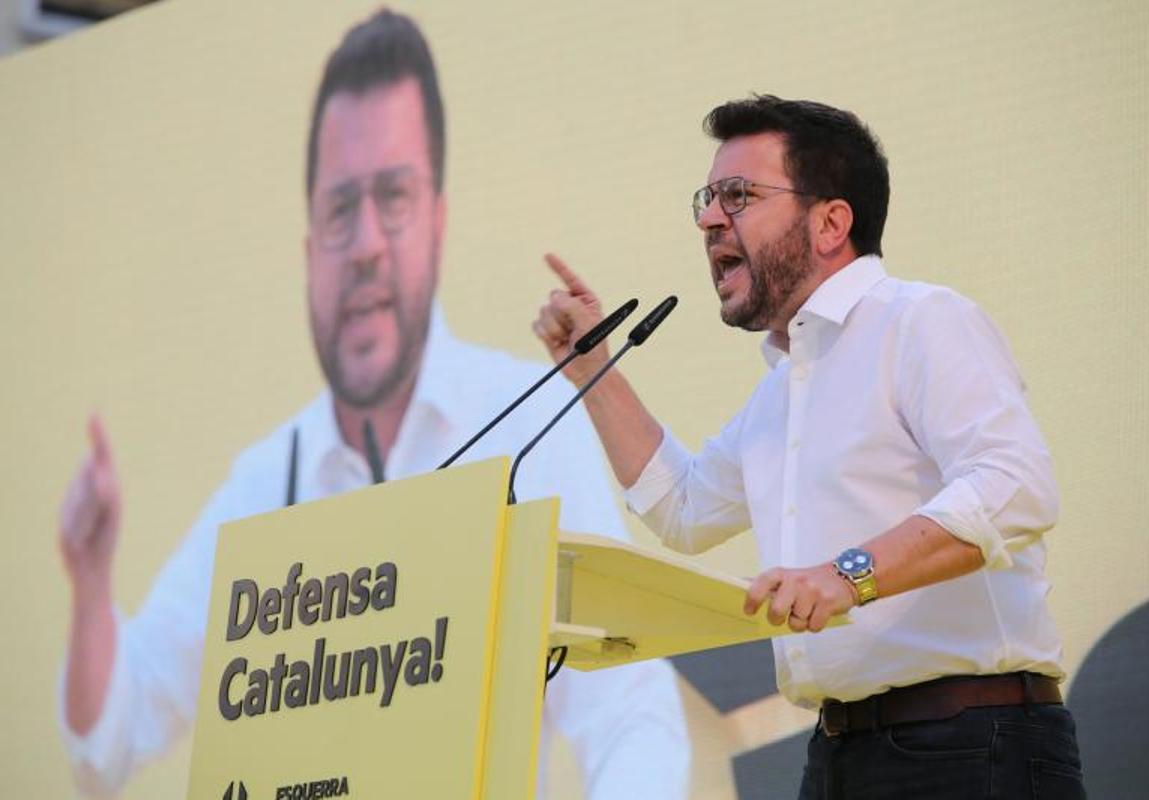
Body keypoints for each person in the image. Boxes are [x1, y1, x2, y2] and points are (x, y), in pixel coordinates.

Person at [56, 10, 688, 798]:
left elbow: (627, 706)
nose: (362, 245)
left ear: (438, 222)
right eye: (337, 210)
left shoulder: (527, 421)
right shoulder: (265, 481)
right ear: (308, 253)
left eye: (392, 197)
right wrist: (89, 583)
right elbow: (106, 747)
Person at [533, 96, 1086, 799]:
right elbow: (685, 507)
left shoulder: (919, 321)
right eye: (707, 198)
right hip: (837, 758)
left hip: (971, 746)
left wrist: (847, 573)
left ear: (831, 222)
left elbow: (1016, 485)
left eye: (738, 195)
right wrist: (591, 369)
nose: (708, 219)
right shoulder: (783, 389)